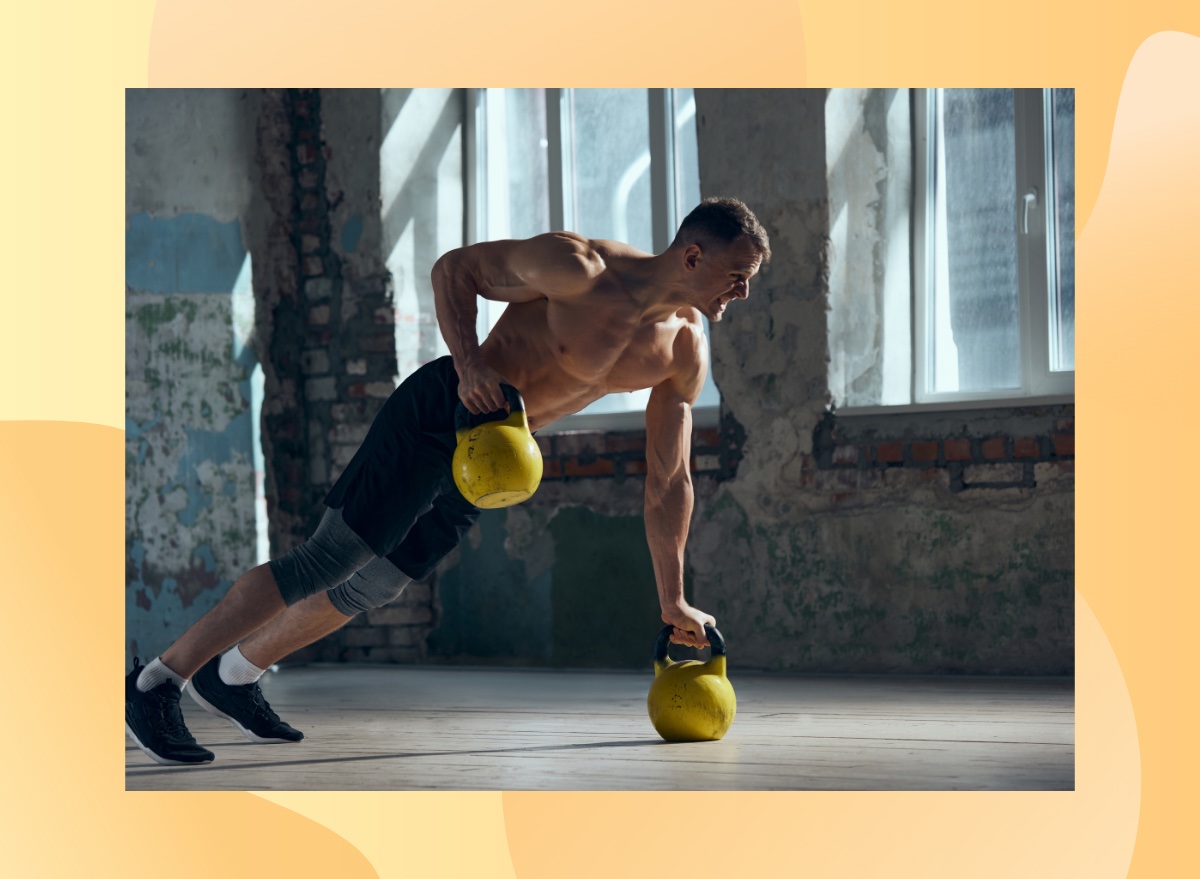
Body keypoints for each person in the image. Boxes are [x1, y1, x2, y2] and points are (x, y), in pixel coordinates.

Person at [125, 197, 771, 766]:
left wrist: (673, 598)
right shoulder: (581, 269)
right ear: (693, 254)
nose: (742, 292)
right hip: (444, 411)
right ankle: (158, 682)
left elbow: (669, 480)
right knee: (327, 558)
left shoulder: (684, 349)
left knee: (373, 583)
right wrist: (467, 363)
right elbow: (454, 270)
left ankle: (235, 675)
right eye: (738, 276)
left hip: (495, 458)